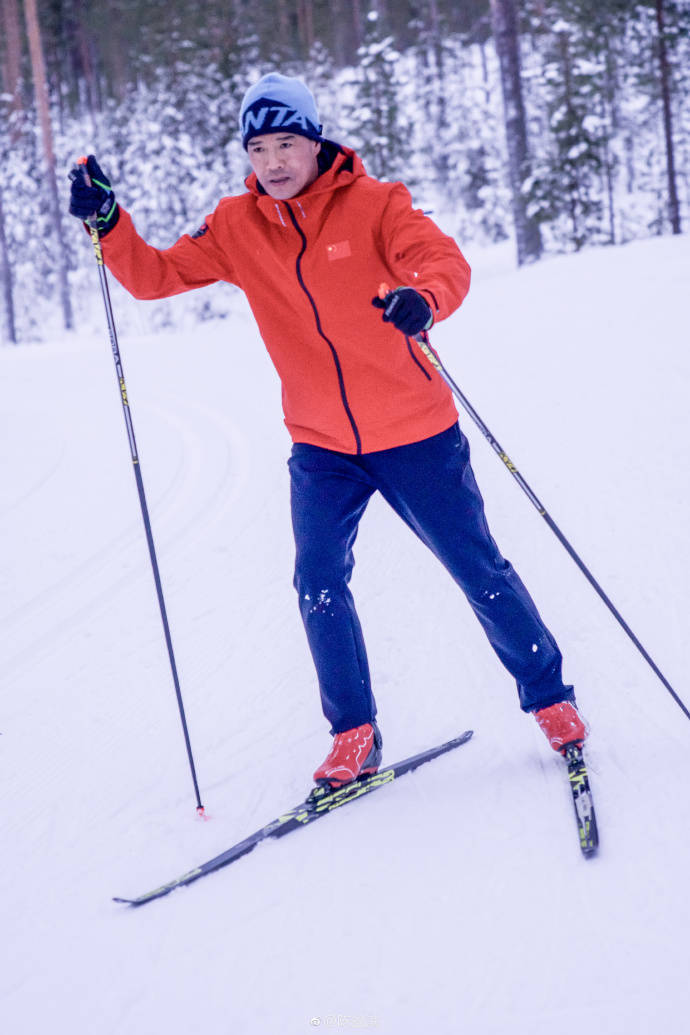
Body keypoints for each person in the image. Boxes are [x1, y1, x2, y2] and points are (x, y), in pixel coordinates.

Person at [69, 73, 587, 789]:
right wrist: (110, 223)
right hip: (322, 446)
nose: (274, 162)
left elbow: (445, 263)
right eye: (259, 149)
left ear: (316, 144)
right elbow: (154, 276)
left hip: (415, 433)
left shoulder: (377, 204)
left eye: (287, 144)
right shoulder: (234, 224)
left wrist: (423, 300)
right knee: (317, 580)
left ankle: (551, 698)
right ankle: (354, 732)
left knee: (477, 569)